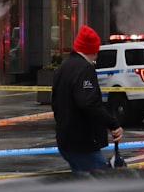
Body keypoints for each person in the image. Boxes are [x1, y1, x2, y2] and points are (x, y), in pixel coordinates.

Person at [51, 25, 123, 173]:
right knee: (99, 181)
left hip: (66, 139)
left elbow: (55, 103)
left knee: (82, 181)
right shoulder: (85, 69)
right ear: (93, 50)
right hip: (82, 142)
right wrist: (113, 123)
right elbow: (88, 102)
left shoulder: (63, 69)